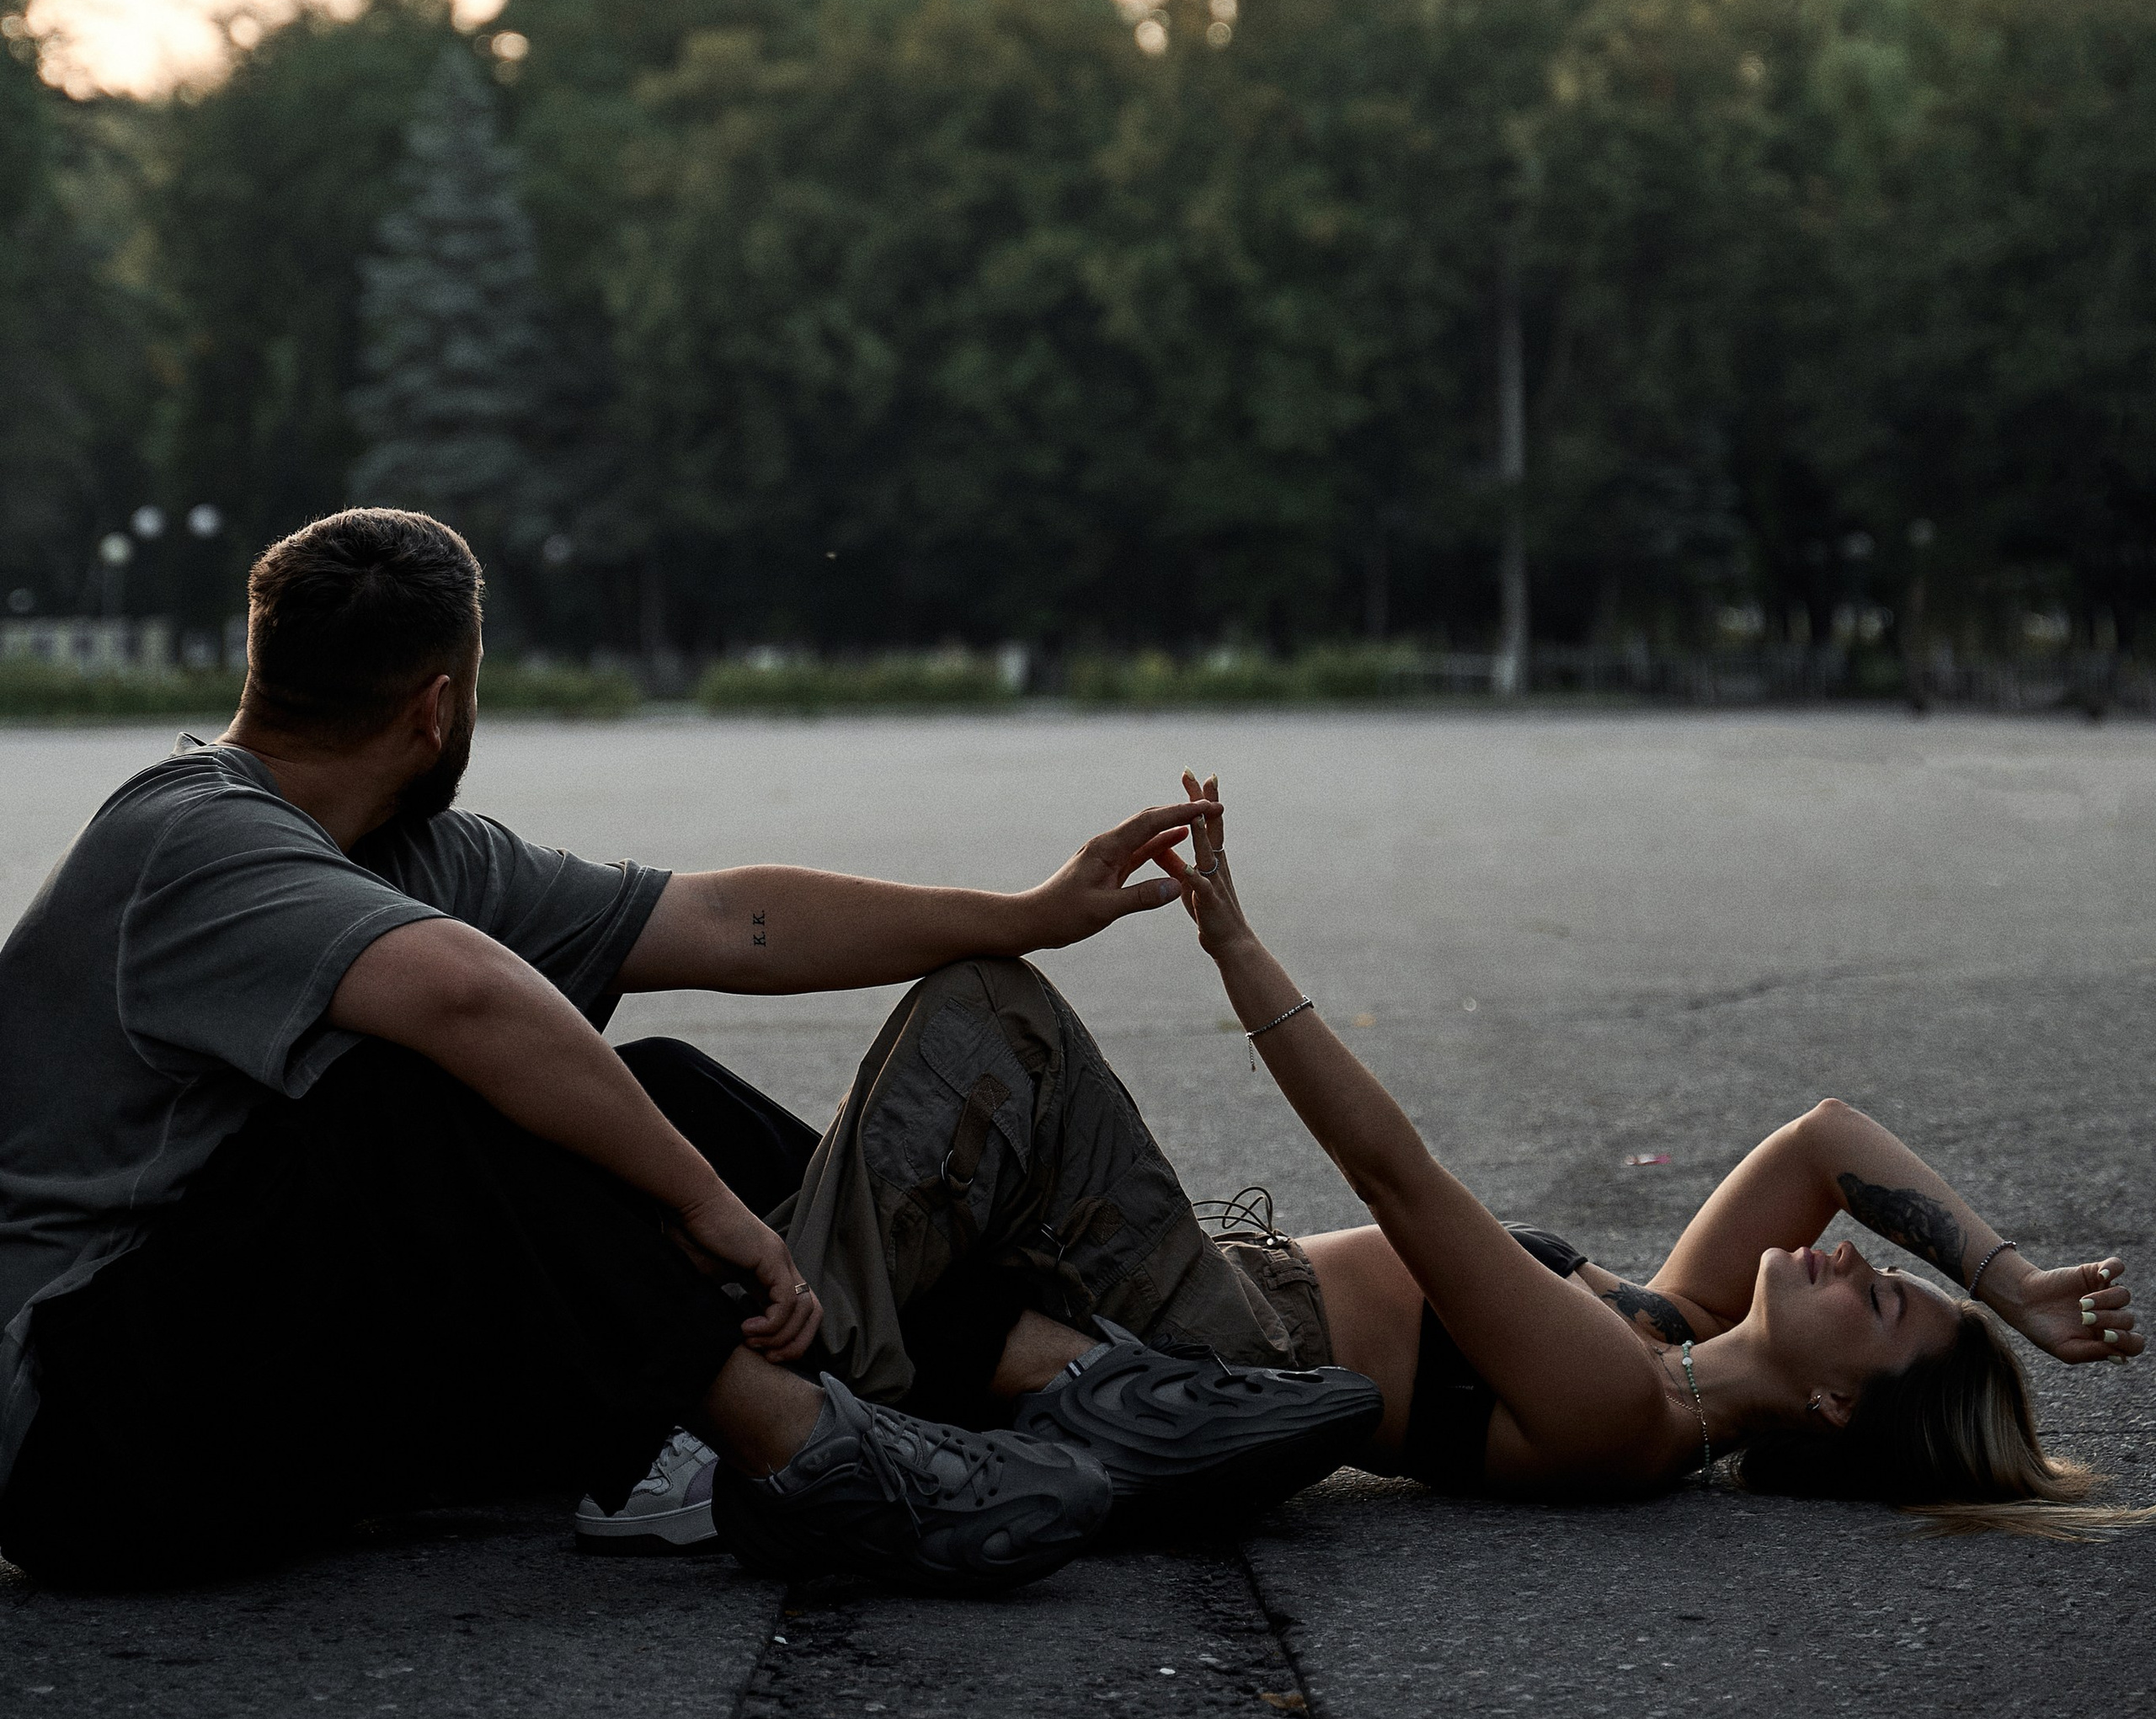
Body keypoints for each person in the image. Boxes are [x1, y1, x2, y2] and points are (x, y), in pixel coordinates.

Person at [0, 513, 1374, 1594]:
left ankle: (1054, 1379)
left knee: (645, 1077)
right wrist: (710, 1209)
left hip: (290, 1401)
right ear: (439, 702)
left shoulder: (404, 855)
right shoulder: (188, 834)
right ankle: (807, 1450)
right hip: (95, 1449)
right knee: (416, 1082)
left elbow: (728, 918)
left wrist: (1029, 910)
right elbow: (467, 997)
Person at [1155, 769, 2148, 1539]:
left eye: (1880, 1296)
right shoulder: (1682, 1325)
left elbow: (1396, 1177)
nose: (1851, 1252)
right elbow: (1824, 1136)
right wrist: (2010, 1282)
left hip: (1185, 1343)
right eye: (1886, 1265)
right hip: (1193, 1284)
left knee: (1005, 1021)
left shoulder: (1625, 1412)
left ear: (1833, 1403)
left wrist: (1237, 949)